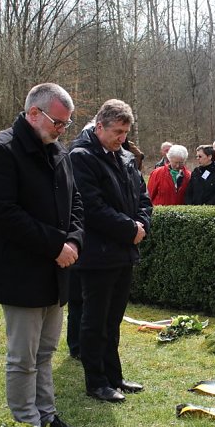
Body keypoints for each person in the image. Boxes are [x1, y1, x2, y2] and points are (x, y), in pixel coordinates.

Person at [0, 82, 87, 427]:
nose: (61, 130)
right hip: (21, 270)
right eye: (58, 122)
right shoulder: (1, 150)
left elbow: (76, 203)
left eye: (66, 124)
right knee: (22, 357)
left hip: (56, 269)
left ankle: (47, 414)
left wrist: (73, 239)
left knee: (45, 351)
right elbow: (4, 214)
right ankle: (26, 425)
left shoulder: (57, 150)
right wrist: (57, 245)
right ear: (33, 114)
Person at [69, 99, 152, 403]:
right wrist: (130, 229)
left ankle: (114, 376)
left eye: (125, 132)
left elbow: (142, 196)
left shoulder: (125, 156)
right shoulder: (81, 157)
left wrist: (141, 223)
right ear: (99, 126)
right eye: (117, 132)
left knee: (113, 319)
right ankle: (96, 381)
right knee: (95, 320)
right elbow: (91, 207)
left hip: (122, 251)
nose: (121, 138)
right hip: (97, 253)